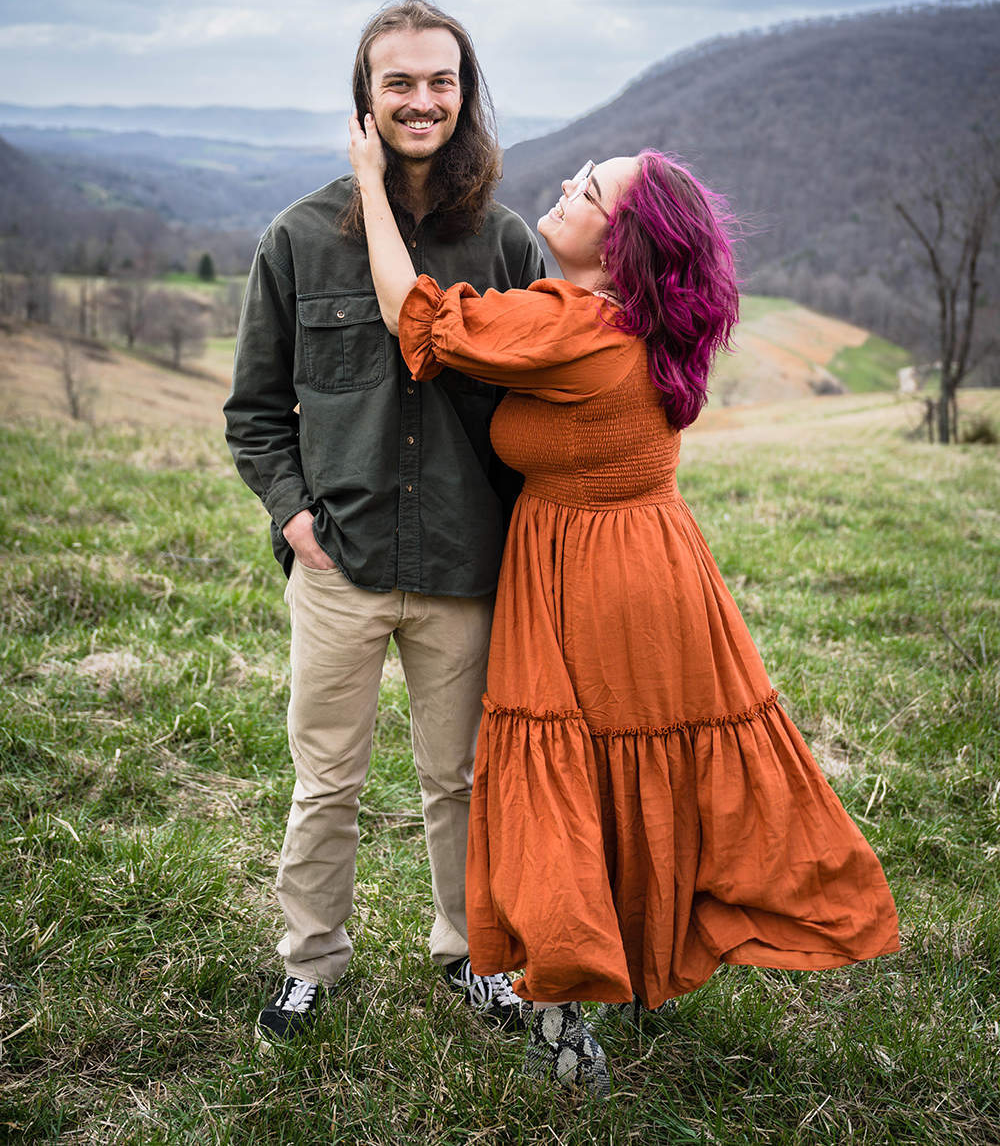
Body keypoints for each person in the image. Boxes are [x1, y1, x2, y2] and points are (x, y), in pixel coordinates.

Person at [348, 125, 900, 1097]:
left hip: (580, 578)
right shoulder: (652, 325)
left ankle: (563, 1024)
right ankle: (630, 970)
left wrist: (364, 180)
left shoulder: (573, 326)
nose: (564, 186)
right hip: (661, 569)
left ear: (622, 243)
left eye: (590, 190)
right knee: (636, 772)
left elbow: (420, 320)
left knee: (559, 781)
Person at [225, 0, 544, 1047]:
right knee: (328, 781)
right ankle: (311, 962)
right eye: (398, 81)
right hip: (343, 564)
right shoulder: (298, 238)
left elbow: (545, 399)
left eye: (440, 81)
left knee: (463, 781)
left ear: (465, 91)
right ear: (365, 96)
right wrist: (296, 520)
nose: (421, 100)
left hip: (465, 564)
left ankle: (472, 957)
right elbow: (256, 412)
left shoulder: (502, 240)